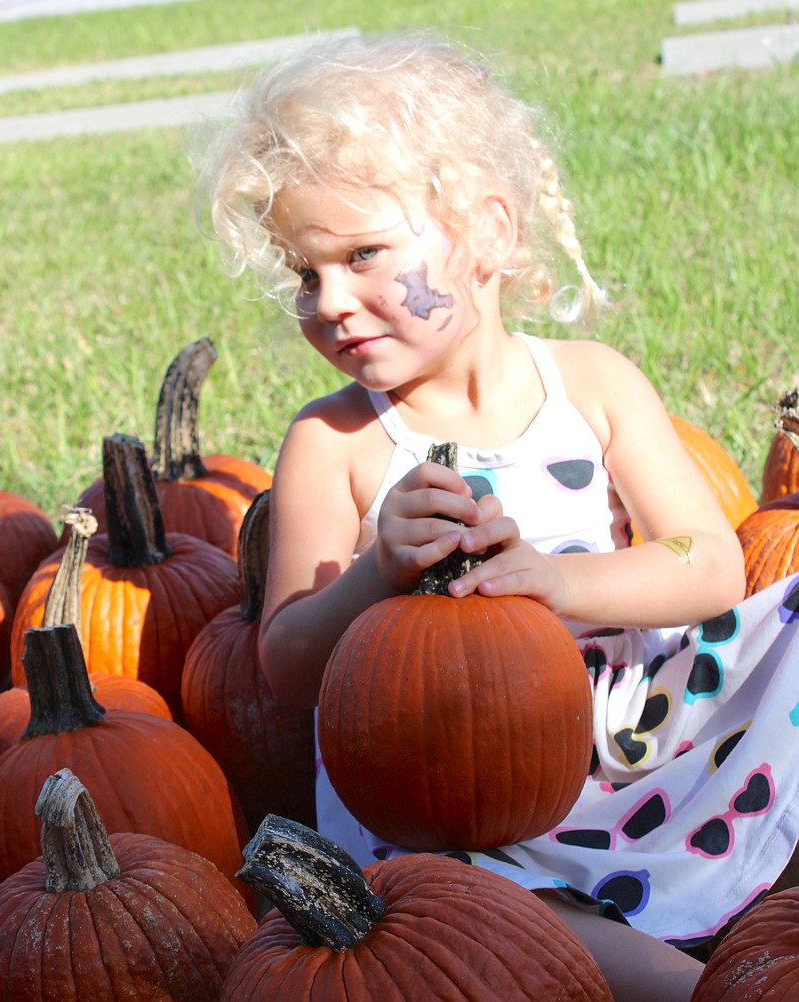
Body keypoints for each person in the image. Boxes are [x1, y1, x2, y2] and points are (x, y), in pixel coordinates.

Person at [205, 34, 799, 1001]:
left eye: (362, 256)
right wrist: (375, 574)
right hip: (450, 793)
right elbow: (285, 664)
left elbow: (710, 566)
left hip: (628, 728)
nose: (331, 303)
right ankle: (697, 989)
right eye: (303, 274)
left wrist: (558, 580)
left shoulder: (593, 385)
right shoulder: (335, 441)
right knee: (448, 901)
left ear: (483, 233)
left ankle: (748, 894)